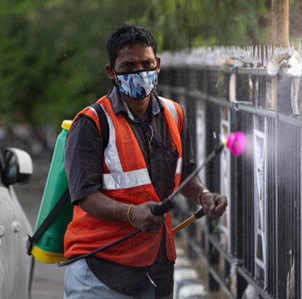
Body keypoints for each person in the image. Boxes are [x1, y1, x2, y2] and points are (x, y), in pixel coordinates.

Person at [63, 24, 227, 299]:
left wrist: (205, 196)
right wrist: (131, 214)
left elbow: (184, 173)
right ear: (111, 72)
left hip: (156, 271)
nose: (139, 73)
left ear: (158, 65)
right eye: (128, 66)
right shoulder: (92, 123)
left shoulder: (174, 114)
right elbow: (84, 195)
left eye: (146, 64)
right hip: (99, 272)